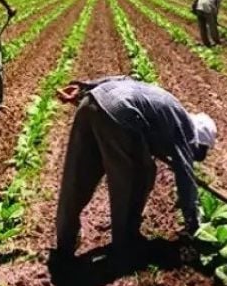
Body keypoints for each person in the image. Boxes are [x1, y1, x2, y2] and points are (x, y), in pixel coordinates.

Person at [54, 75, 217, 258]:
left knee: (77, 176)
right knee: (139, 176)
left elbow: (125, 79)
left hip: (91, 101)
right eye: (199, 152)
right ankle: (126, 242)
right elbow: (186, 178)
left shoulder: (169, 107)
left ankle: (65, 241)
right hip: (119, 114)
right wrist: (193, 223)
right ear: (199, 141)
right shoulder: (185, 129)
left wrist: (85, 87)